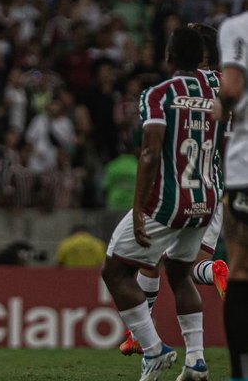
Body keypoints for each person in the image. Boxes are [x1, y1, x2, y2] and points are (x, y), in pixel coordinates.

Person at [101, 26, 226, 381]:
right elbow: (223, 146)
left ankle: (153, 348)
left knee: (115, 270)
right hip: (206, 196)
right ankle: (196, 362)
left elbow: (151, 150)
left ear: (170, 56)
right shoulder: (220, 96)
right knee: (181, 274)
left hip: (168, 200)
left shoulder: (157, 94)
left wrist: (139, 208)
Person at [217, 0, 248, 381]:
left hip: (246, 170)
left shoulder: (237, 26)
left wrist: (217, 107)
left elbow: (232, 87)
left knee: (240, 272)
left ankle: (242, 374)